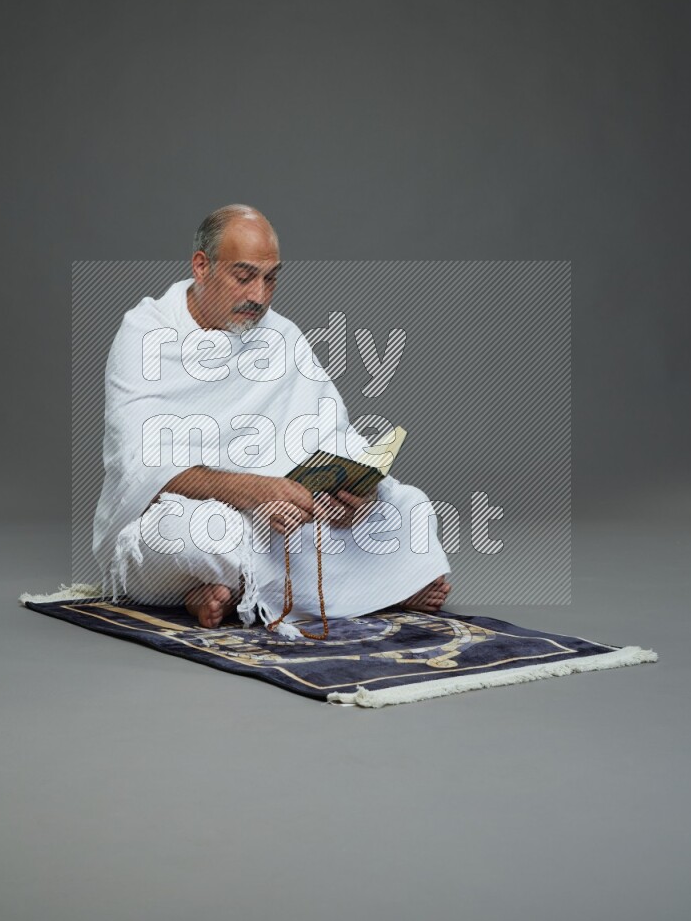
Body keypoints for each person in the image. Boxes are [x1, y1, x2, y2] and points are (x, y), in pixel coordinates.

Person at [92, 204, 451, 638]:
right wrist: (257, 492)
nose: (259, 296)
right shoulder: (145, 334)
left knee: (405, 504)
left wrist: (356, 486)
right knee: (200, 534)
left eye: (271, 278)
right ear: (201, 267)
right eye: (244, 277)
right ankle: (373, 588)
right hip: (194, 515)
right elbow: (141, 467)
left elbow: (332, 432)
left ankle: (227, 590)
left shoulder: (280, 334)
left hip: (286, 514)